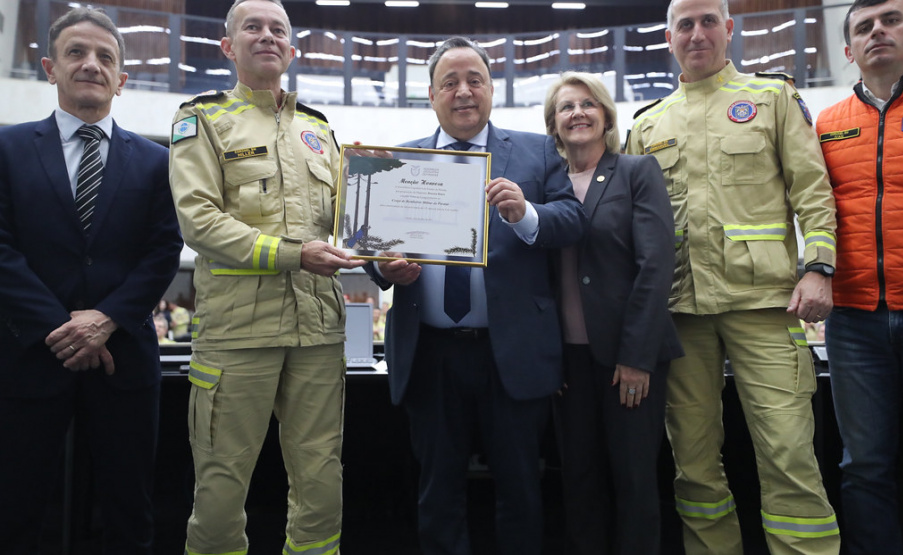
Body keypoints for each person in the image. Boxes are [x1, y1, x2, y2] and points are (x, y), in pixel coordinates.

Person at [625, 0, 841, 552]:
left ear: (728, 29)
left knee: (789, 455)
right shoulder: (647, 124)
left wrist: (819, 267)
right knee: (693, 465)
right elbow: (630, 225)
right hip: (681, 316)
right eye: (685, 25)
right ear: (669, 38)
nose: (697, 34)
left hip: (765, 306)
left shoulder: (772, 99)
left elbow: (812, 190)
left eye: (708, 22)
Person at [367, 36, 586, 555]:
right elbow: (374, 248)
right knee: (437, 491)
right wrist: (383, 266)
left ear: (491, 89)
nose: (463, 91)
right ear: (431, 95)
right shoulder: (400, 162)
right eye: (450, 82)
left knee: (521, 488)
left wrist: (526, 213)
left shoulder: (536, 150)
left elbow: (572, 219)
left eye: (474, 80)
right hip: (430, 354)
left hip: (512, 352)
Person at [168, 0, 364, 553]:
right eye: (252, 27)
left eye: (278, 29)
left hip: (318, 330)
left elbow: (350, 225)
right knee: (221, 488)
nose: (267, 36)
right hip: (237, 333)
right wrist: (293, 255)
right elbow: (199, 220)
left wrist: (385, 255)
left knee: (322, 481)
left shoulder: (318, 129)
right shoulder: (201, 119)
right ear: (227, 47)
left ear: (292, 50)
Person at [0, 7, 183, 553]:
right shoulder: (7, 149)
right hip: (29, 357)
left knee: (129, 512)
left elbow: (163, 251)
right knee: (15, 508)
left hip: (122, 359)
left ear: (121, 80)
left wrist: (105, 320)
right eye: (76, 52)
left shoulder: (156, 162)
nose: (91, 64)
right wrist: (63, 328)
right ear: (50, 67)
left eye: (105, 57)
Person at [544, 72, 683, 555]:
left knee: (634, 480)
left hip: (629, 359)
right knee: (579, 480)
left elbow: (656, 265)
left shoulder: (636, 171)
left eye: (588, 104)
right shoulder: (545, 183)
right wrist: (548, 357)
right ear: (553, 124)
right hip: (568, 362)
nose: (577, 113)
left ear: (606, 116)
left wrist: (637, 357)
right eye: (566, 107)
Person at [815, 0, 903, 551]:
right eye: (863, 27)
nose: (878, 31)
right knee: (864, 464)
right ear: (849, 51)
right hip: (853, 320)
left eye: (891, 19)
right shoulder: (827, 125)